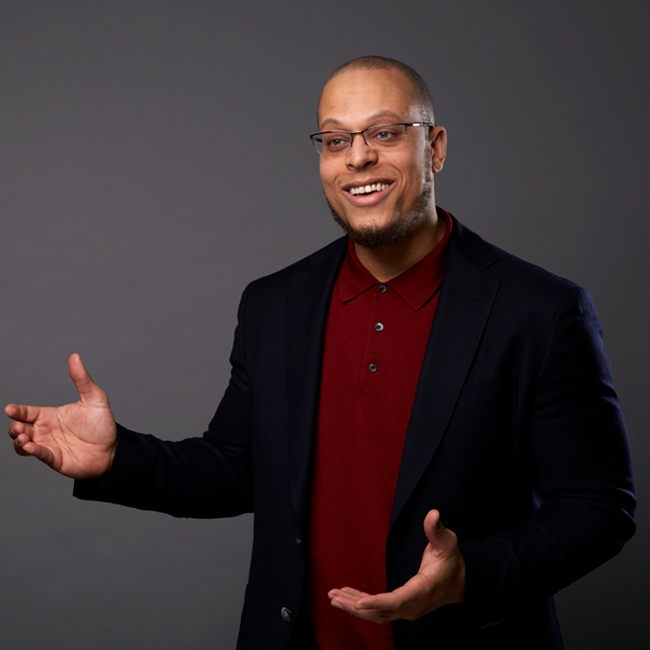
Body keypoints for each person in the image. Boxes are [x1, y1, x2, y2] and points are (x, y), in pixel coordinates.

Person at [6, 56, 635, 650]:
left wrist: (470, 573)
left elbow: (599, 508)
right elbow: (237, 467)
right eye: (335, 140)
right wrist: (117, 458)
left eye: (384, 133)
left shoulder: (540, 310)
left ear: (435, 147)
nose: (358, 157)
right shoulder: (274, 305)